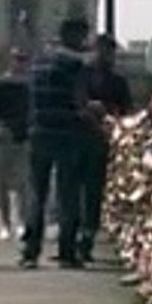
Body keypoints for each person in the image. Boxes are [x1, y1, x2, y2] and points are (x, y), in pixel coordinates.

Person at [21, 18, 93, 269]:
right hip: (66, 133)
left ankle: (30, 250)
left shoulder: (38, 63)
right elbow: (80, 102)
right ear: (76, 36)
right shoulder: (77, 65)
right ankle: (66, 251)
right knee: (67, 194)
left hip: (39, 131)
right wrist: (95, 113)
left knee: (36, 193)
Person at [78, 34, 132, 263]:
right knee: (76, 191)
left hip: (102, 140)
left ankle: (86, 239)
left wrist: (110, 118)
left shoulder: (118, 80)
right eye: (100, 50)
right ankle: (76, 237)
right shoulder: (82, 75)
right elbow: (76, 101)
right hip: (81, 137)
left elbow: (127, 110)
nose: (104, 55)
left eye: (108, 51)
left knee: (93, 193)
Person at [0, 50, 32, 241]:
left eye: (23, 59)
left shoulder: (30, 86)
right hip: (1, 137)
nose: (20, 63)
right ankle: (5, 224)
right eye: (17, 59)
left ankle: (21, 222)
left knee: (23, 184)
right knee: (1, 183)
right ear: (10, 61)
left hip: (23, 137)